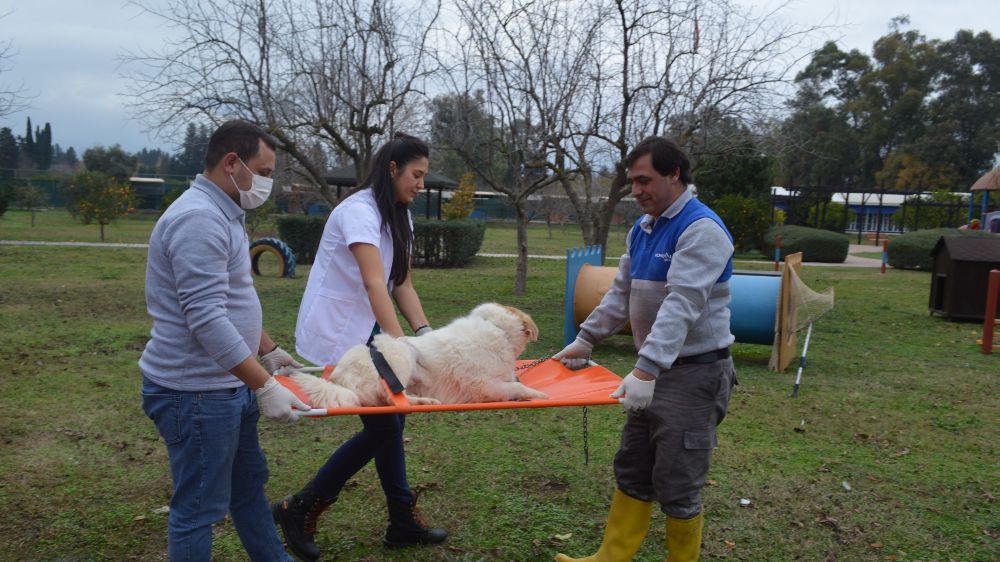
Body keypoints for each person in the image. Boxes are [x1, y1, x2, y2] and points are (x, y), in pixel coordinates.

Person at [553, 136, 737, 562]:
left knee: (678, 479)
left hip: (694, 375)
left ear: (675, 174)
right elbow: (620, 294)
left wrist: (647, 368)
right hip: (651, 372)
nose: (636, 191)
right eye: (631, 182)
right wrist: (586, 338)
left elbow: (683, 304)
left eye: (644, 180)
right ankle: (610, 558)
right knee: (634, 468)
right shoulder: (644, 228)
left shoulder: (701, 229)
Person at [140, 119, 310, 562]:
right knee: (199, 508)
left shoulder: (225, 211)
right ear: (232, 163)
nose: (268, 184)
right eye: (265, 172)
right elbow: (207, 319)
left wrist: (268, 351)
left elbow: (234, 298)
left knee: (247, 487)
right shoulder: (198, 219)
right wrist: (264, 385)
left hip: (226, 386)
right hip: (194, 393)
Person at [272, 132, 447, 562]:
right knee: (386, 425)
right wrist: (397, 347)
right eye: (416, 175)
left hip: (369, 328)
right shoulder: (358, 212)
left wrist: (425, 334)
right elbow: (373, 283)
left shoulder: (401, 214)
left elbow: (400, 281)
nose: (421, 185)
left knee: (389, 423)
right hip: (341, 331)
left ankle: (401, 522)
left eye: (424, 176)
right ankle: (301, 506)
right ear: (393, 169)